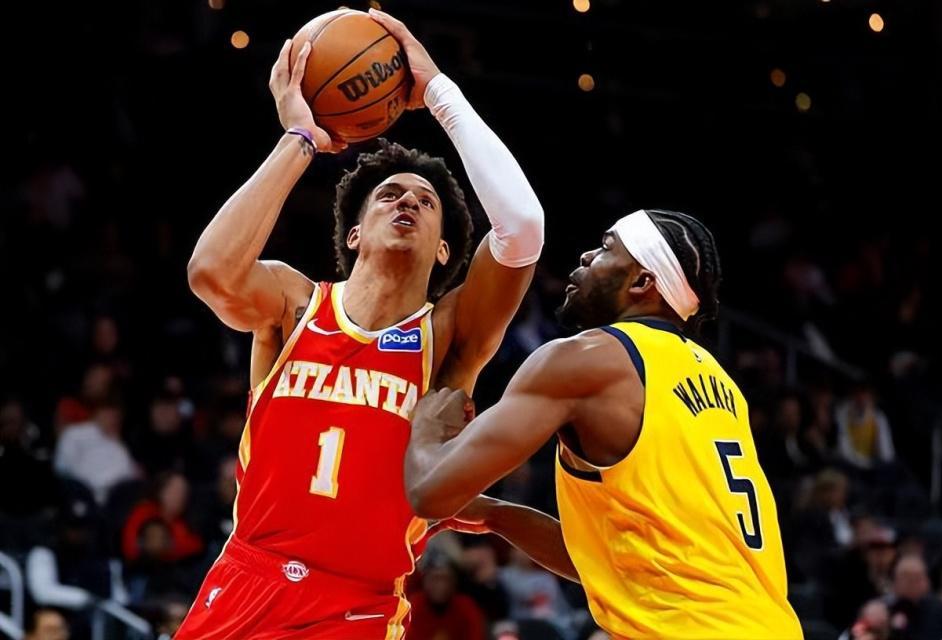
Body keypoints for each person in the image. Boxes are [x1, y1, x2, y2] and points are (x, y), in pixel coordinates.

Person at [176, 8, 544, 639]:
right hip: (245, 581)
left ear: (443, 251)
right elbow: (210, 273)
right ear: (354, 233)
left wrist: (438, 93)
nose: (408, 201)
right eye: (390, 195)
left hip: (358, 605)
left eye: (426, 202)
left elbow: (523, 227)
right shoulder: (295, 304)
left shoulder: (448, 336)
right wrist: (300, 139)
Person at [405, 209, 802, 638]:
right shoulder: (719, 382)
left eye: (607, 248)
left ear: (642, 282)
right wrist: (495, 515)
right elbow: (618, 564)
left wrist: (426, 424)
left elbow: (430, 492)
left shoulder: (587, 359)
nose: (587, 255)